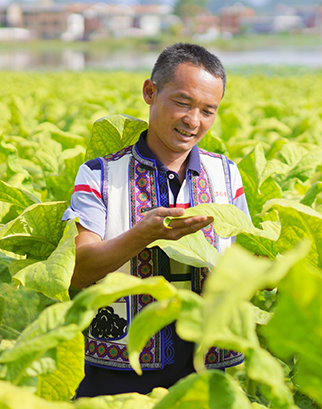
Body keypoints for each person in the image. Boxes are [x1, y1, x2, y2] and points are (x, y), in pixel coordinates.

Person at [62, 43, 250, 397]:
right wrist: (142, 234)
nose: (194, 121)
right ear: (150, 92)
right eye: (182, 103)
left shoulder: (227, 175)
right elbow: (76, 271)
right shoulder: (99, 175)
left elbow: (247, 257)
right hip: (118, 369)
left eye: (208, 110)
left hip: (208, 366)